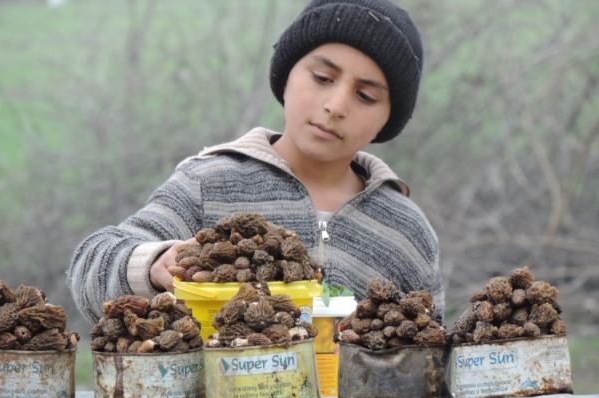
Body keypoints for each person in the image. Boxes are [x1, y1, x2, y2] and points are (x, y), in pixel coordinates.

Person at [67, 0, 443, 323]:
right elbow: (91, 264)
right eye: (323, 77)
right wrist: (152, 264)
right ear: (287, 74)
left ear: (388, 118)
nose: (336, 105)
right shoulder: (209, 183)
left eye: (365, 96)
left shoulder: (406, 231)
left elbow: (428, 363)